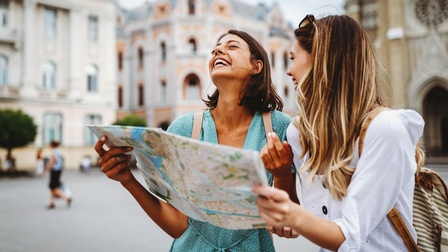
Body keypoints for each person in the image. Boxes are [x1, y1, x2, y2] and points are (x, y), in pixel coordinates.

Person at [94, 29, 297, 251]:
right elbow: (179, 225)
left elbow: (289, 219)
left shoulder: (279, 127)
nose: (218, 50)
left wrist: (283, 174)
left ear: (257, 66)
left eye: (232, 46)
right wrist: (128, 180)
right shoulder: (184, 128)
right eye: (215, 49)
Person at [252, 14, 426, 251]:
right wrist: (282, 176)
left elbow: (349, 237)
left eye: (292, 58)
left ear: (324, 60)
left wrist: (289, 212)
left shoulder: (385, 128)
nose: (289, 70)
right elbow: (297, 227)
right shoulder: (298, 132)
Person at [40, 140, 72, 209]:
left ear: (52, 145)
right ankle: (52, 203)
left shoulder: (54, 152)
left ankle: (67, 198)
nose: (49, 147)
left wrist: (44, 171)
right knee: (52, 187)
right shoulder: (58, 151)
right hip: (58, 171)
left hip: (55, 171)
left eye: (50, 145)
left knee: (53, 188)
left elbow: (51, 163)